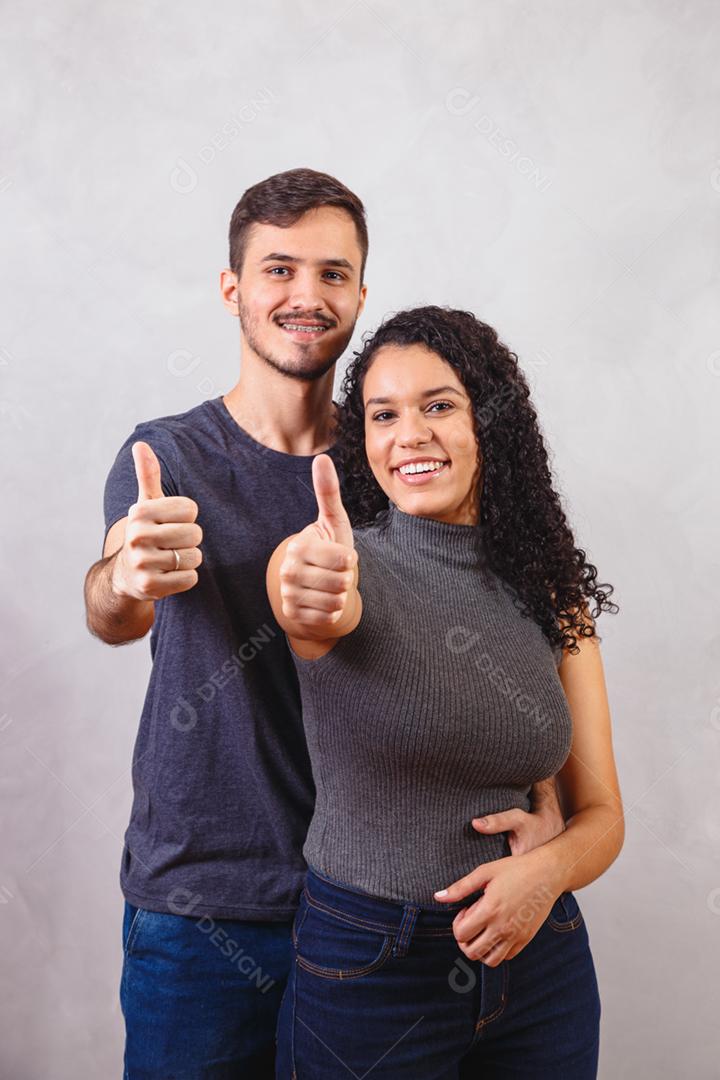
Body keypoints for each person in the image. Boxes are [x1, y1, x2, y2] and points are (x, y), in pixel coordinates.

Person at [83, 171, 566, 1078]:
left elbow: (488, 639)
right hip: (205, 906)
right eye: (278, 270)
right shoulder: (170, 456)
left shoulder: (399, 457)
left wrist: (553, 810)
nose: (307, 297)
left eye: (333, 274)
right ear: (232, 289)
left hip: (377, 908)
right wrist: (126, 574)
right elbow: (113, 614)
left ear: (360, 294)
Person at [267, 305, 624, 1079]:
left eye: (439, 406)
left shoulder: (553, 592)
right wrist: (301, 582)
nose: (410, 436)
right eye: (383, 415)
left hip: (542, 964)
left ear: (488, 422)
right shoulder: (343, 564)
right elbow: (306, 595)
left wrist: (548, 872)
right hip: (370, 972)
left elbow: (603, 817)